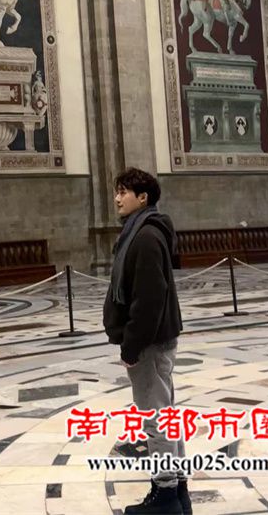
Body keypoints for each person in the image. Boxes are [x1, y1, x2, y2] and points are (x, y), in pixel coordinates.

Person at [103, 167, 191, 515]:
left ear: (143, 198)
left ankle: (165, 495)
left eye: (123, 192)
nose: (117, 198)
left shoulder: (146, 237)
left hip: (150, 343)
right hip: (155, 339)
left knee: (156, 419)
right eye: (117, 191)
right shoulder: (140, 232)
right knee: (165, 415)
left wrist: (131, 345)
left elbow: (149, 299)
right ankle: (177, 491)